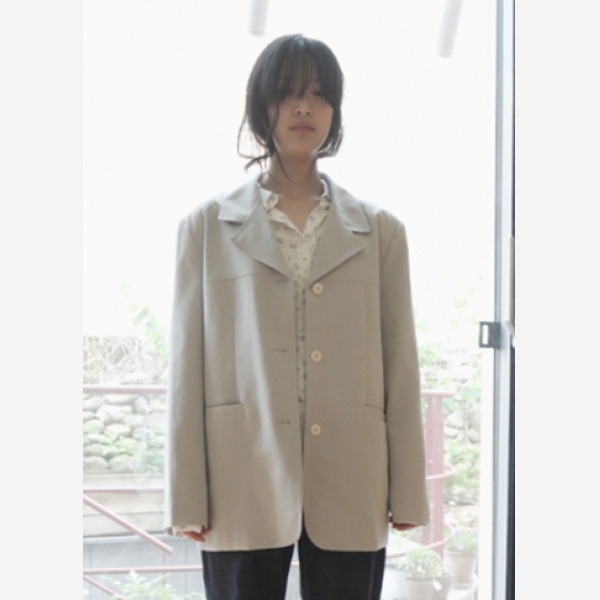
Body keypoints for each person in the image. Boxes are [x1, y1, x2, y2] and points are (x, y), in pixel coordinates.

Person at [163, 33, 430, 600]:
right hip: (241, 473)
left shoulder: (381, 232)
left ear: (335, 109)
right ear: (262, 107)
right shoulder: (205, 229)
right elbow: (186, 370)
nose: (303, 107)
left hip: (351, 476)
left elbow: (401, 366)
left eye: (318, 94)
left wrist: (407, 488)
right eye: (287, 93)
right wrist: (185, 494)